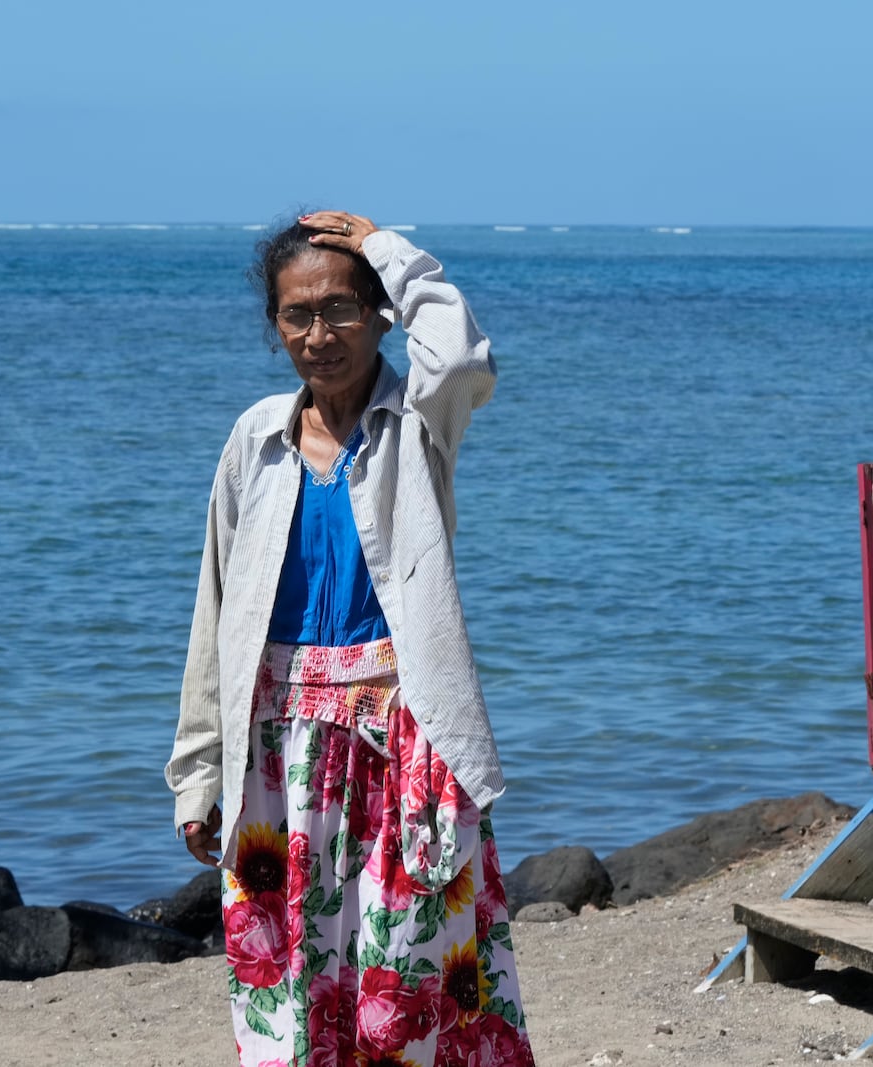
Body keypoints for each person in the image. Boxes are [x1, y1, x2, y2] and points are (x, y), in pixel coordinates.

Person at [165, 210, 535, 1066]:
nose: (319, 333)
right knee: (289, 988)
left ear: (378, 316)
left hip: (404, 742)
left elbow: (463, 353)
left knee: (402, 996)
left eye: (339, 309)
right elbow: (214, 614)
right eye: (297, 314)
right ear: (275, 326)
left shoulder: (418, 424)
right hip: (274, 757)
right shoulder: (253, 443)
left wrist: (385, 249)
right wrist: (198, 770)